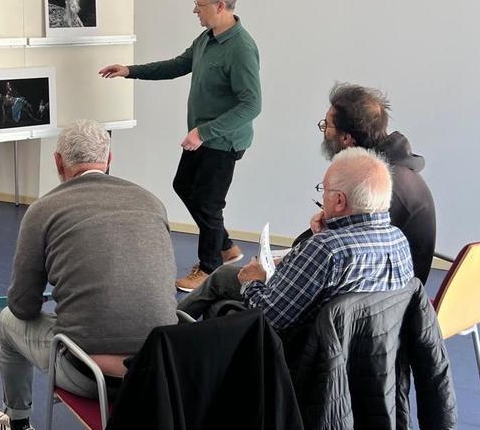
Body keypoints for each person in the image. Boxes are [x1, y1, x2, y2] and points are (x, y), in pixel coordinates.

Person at [0, 120, 178, 430]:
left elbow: (22, 306)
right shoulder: (152, 202)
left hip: (90, 375)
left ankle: (17, 421)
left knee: (7, 321)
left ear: (58, 162)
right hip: (161, 371)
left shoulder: (43, 210)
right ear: (109, 159)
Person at [98, 0, 261, 292]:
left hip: (223, 140)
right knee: (184, 185)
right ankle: (226, 246)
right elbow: (176, 65)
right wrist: (130, 71)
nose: (194, 11)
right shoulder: (207, 39)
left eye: (199, 5)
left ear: (221, 6)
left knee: (209, 203)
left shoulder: (241, 48)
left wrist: (205, 132)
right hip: (201, 137)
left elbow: (252, 104)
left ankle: (209, 268)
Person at [179, 147, 414, 331]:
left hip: (299, 346)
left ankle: (165, 333)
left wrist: (252, 282)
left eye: (324, 190)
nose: (322, 196)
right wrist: (325, 234)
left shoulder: (326, 250)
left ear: (340, 201)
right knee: (224, 275)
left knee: (221, 302)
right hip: (357, 348)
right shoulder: (399, 240)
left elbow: (270, 317)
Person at [317, 83, 436, 282]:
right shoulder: (396, 173)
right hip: (391, 287)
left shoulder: (380, 186)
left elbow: (342, 250)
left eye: (327, 126)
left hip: (385, 292)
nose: (324, 131)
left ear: (346, 138)